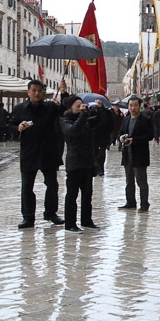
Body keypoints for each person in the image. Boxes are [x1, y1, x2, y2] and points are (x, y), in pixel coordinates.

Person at [13, 79, 66, 229]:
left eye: (39, 90)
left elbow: (64, 110)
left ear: (43, 92)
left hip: (48, 152)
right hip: (29, 152)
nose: (36, 93)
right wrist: (18, 127)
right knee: (27, 187)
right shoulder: (19, 109)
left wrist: (63, 93)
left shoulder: (50, 107)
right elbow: (7, 125)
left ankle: (50, 213)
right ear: (28, 92)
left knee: (52, 184)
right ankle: (28, 217)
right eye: (33, 90)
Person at [59, 96, 101, 232]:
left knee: (87, 194)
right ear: (70, 107)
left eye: (82, 105)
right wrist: (83, 115)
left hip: (87, 163)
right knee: (72, 195)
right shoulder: (65, 121)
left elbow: (101, 123)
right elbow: (73, 131)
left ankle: (86, 220)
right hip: (74, 163)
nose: (81, 107)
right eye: (77, 106)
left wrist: (100, 111)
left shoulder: (85, 120)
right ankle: (70, 223)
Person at [117, 96, 153, 212]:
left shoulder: (145, 120)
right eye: (130, 105)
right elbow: (120, 132)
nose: (132, 108)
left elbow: (149, 136)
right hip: (127, 154)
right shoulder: (126, 119)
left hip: (140, 154)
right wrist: (121, 138)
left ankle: (144, 204)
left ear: (139, 106)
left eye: (135, 105)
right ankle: (130, 202)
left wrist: (135, 140)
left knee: (141, 181)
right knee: (129, 180)